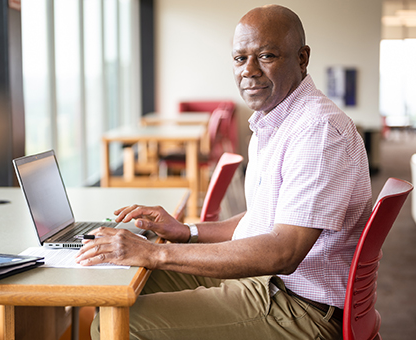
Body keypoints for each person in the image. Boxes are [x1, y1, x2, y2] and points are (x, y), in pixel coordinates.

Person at [77, 4, 372, 339]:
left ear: (302, 58)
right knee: (118, 283)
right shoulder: (275, 121)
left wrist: (155, 251)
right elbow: (262, 221)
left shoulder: (317, 131)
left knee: (116, 324)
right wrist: (186, 232)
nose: (249, 70)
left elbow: (283, 251)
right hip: (270, 284)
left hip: (300, 308)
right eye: (239, 58)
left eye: (266, 56)